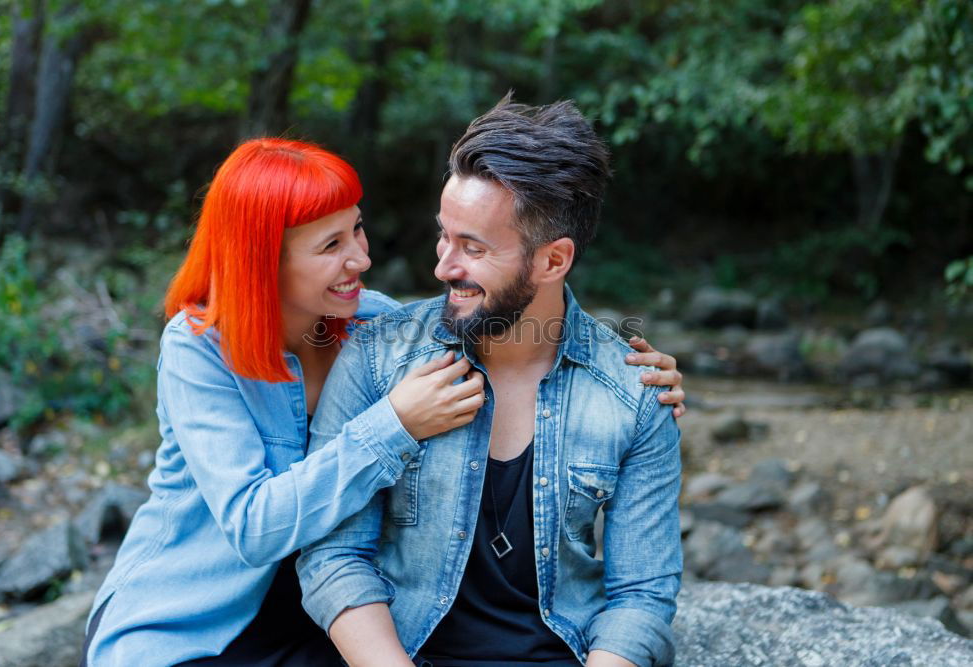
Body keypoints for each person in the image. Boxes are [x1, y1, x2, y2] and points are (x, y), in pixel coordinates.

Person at [81, 137, 685, 665]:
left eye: (358, 229)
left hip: (315, 626)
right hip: (196, 622)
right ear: (264, 258)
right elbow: (256, 527)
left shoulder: (373, 325)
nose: (363, 259)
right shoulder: (199, 351)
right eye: (331, 245)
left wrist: (629, 380)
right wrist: (395, 423)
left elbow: (483, 330)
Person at [298, 97, 682, 667]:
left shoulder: (635, 393)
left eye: (473, 248)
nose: (443, 266)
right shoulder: (378, 358)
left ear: (553, 261)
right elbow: (333, 554)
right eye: (443, 236)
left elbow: (641, 597)